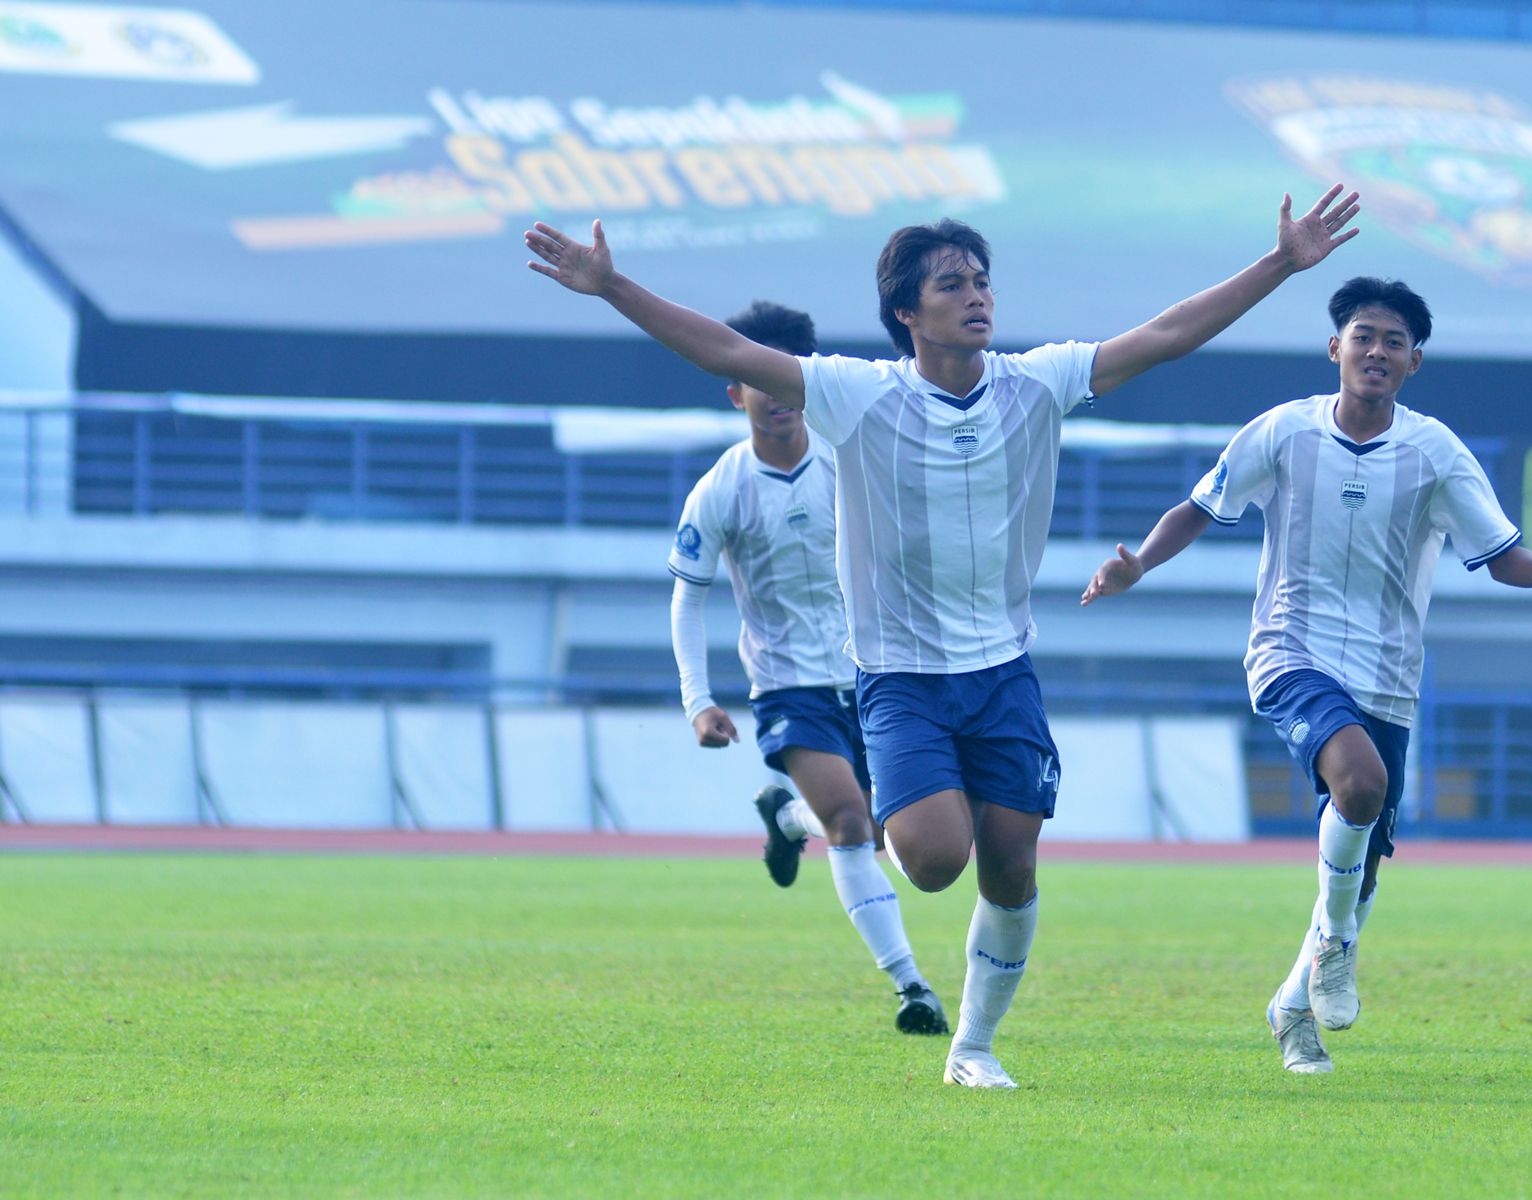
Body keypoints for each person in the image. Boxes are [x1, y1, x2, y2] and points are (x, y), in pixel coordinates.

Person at [527, 183, 1363, 1087]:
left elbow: (1163, 337)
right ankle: (836, 820)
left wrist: (1281, 261)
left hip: (1003, 671)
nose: (977, 296)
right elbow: (726, 351)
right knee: (931, 859)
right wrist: (613, 288)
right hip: (899, 677)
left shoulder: (1037, 381)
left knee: (1011, 868)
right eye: (953, 284)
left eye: (981, 280)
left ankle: (972, 1047)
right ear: (904, 312)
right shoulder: (855, 395)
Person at [1080, 277, 1532, 1074]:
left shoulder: (1434, 451)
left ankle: (1292, 1009)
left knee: (1362, 862)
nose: (1376, 350)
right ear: (1335, 348)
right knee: (1359, 783)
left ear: (1414, 361)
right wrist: (1138, 563)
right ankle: (1337, 945)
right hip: (1292, 652)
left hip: (1388, 673)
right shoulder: (1284, 431)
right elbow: (1202, 505)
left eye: (1394, 340)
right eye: (1363, 334)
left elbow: (1499, 556)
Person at [667, 299, 946, 1036]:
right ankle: (912, 988)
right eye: (760, 382)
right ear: (737, 391)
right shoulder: (721, 489)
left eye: (788, 381)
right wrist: (699, 700)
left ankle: (787, 817)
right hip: (789, 686)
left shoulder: (848, 458)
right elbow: (687, 598)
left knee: (888, 831)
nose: (779, 398)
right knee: (853, 821)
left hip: (877, 675)